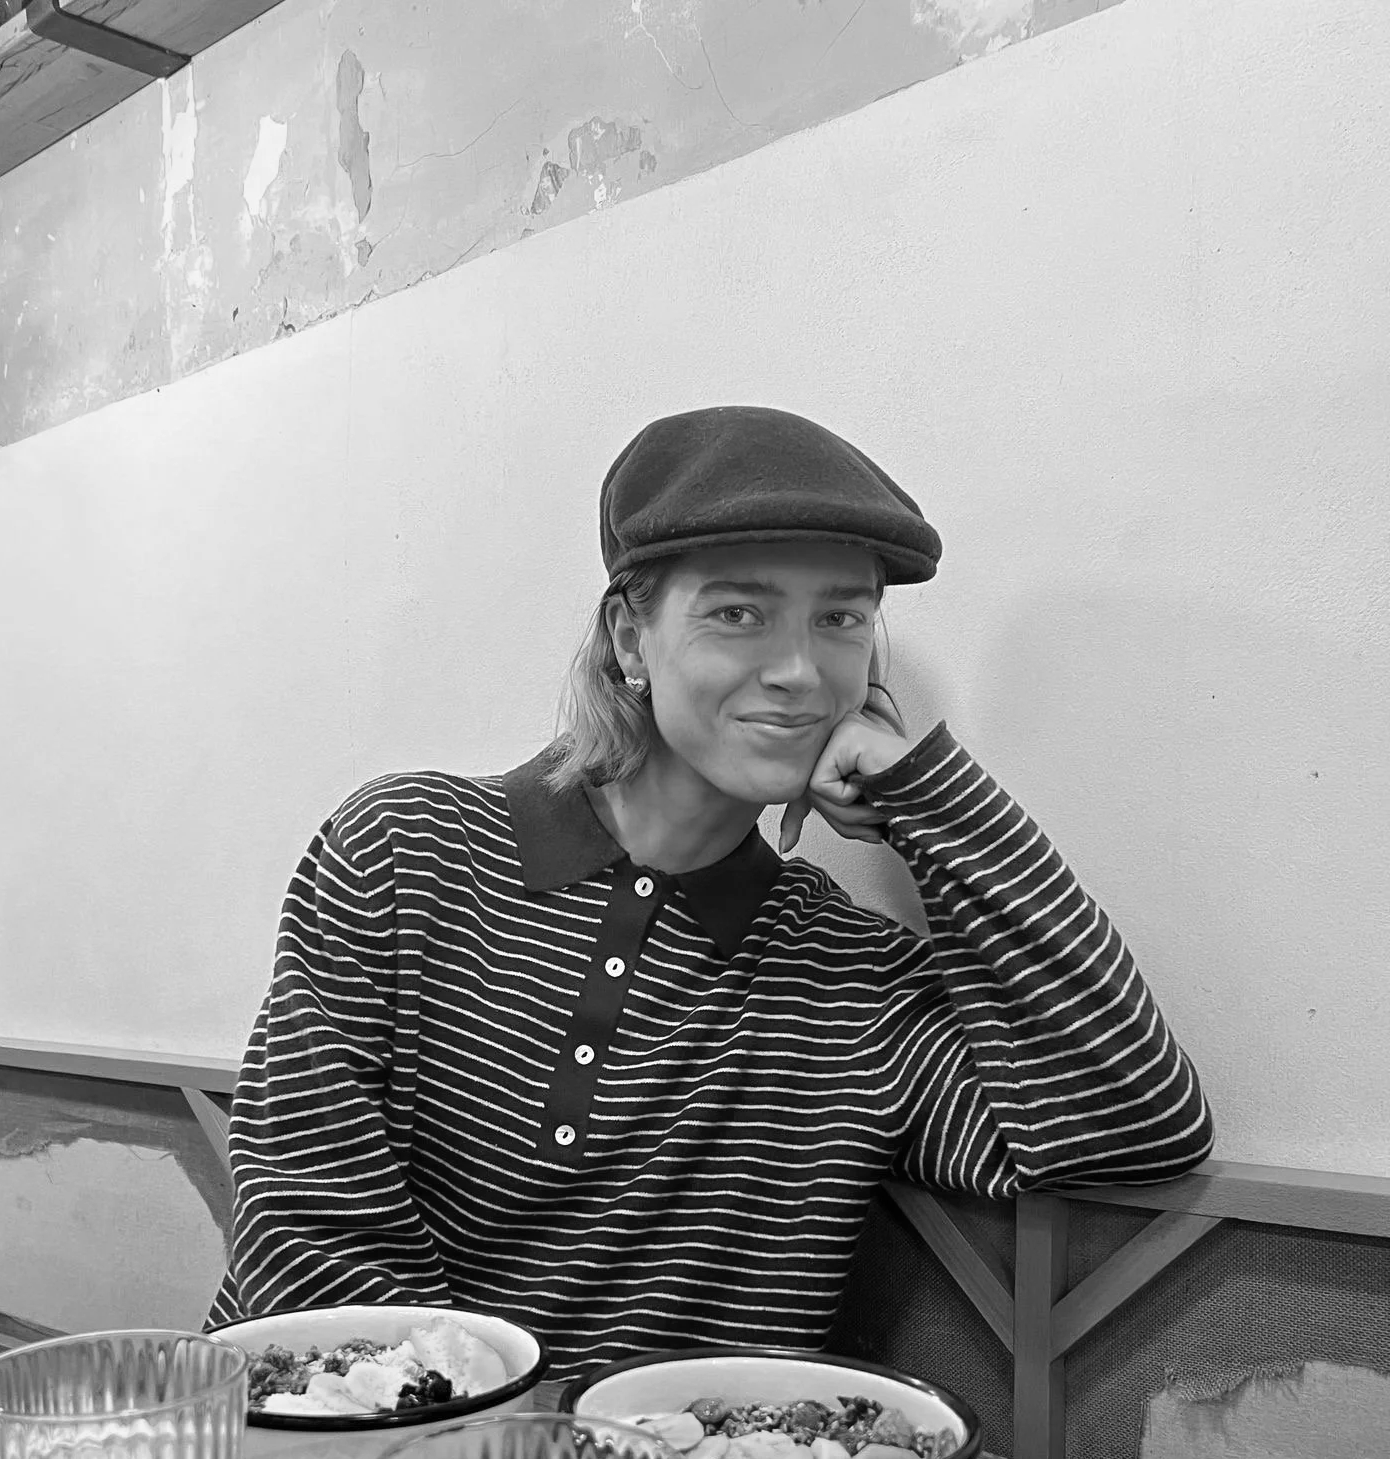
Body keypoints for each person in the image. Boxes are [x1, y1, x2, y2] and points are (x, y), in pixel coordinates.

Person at [205, 405, 1213, 1373]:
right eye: (738, 612)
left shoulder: (846, 975)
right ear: (630, 638)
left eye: (842, 620)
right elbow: (309, 1246)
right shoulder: (403, 853)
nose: (800, 671)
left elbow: (1132, 1119)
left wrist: (925, 794)